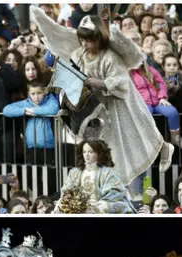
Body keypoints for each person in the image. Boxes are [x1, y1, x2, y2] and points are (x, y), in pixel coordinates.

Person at [31, 9, 173, 186]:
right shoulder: (78, 55)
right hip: (99, 107)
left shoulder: (110, 57)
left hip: (122, 104)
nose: (84, 44)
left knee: (141, 132)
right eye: (82, 39)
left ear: (98, 38)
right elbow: (73, 73)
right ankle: (111, 183)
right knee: (111, 146)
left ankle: (164, 147)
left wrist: (101, 83)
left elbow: (122, 82)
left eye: (88, 40)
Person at [56, 140, 136, 214]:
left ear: (99, 153)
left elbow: (114, 192)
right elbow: (67, 191)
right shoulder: (74, 172)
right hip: (78, 206)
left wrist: (97, 204)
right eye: (84, 152)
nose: (87, 155)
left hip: (100, 204)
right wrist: (73, 201)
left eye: (91, 152)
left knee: (113, 206)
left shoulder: (108, 172)